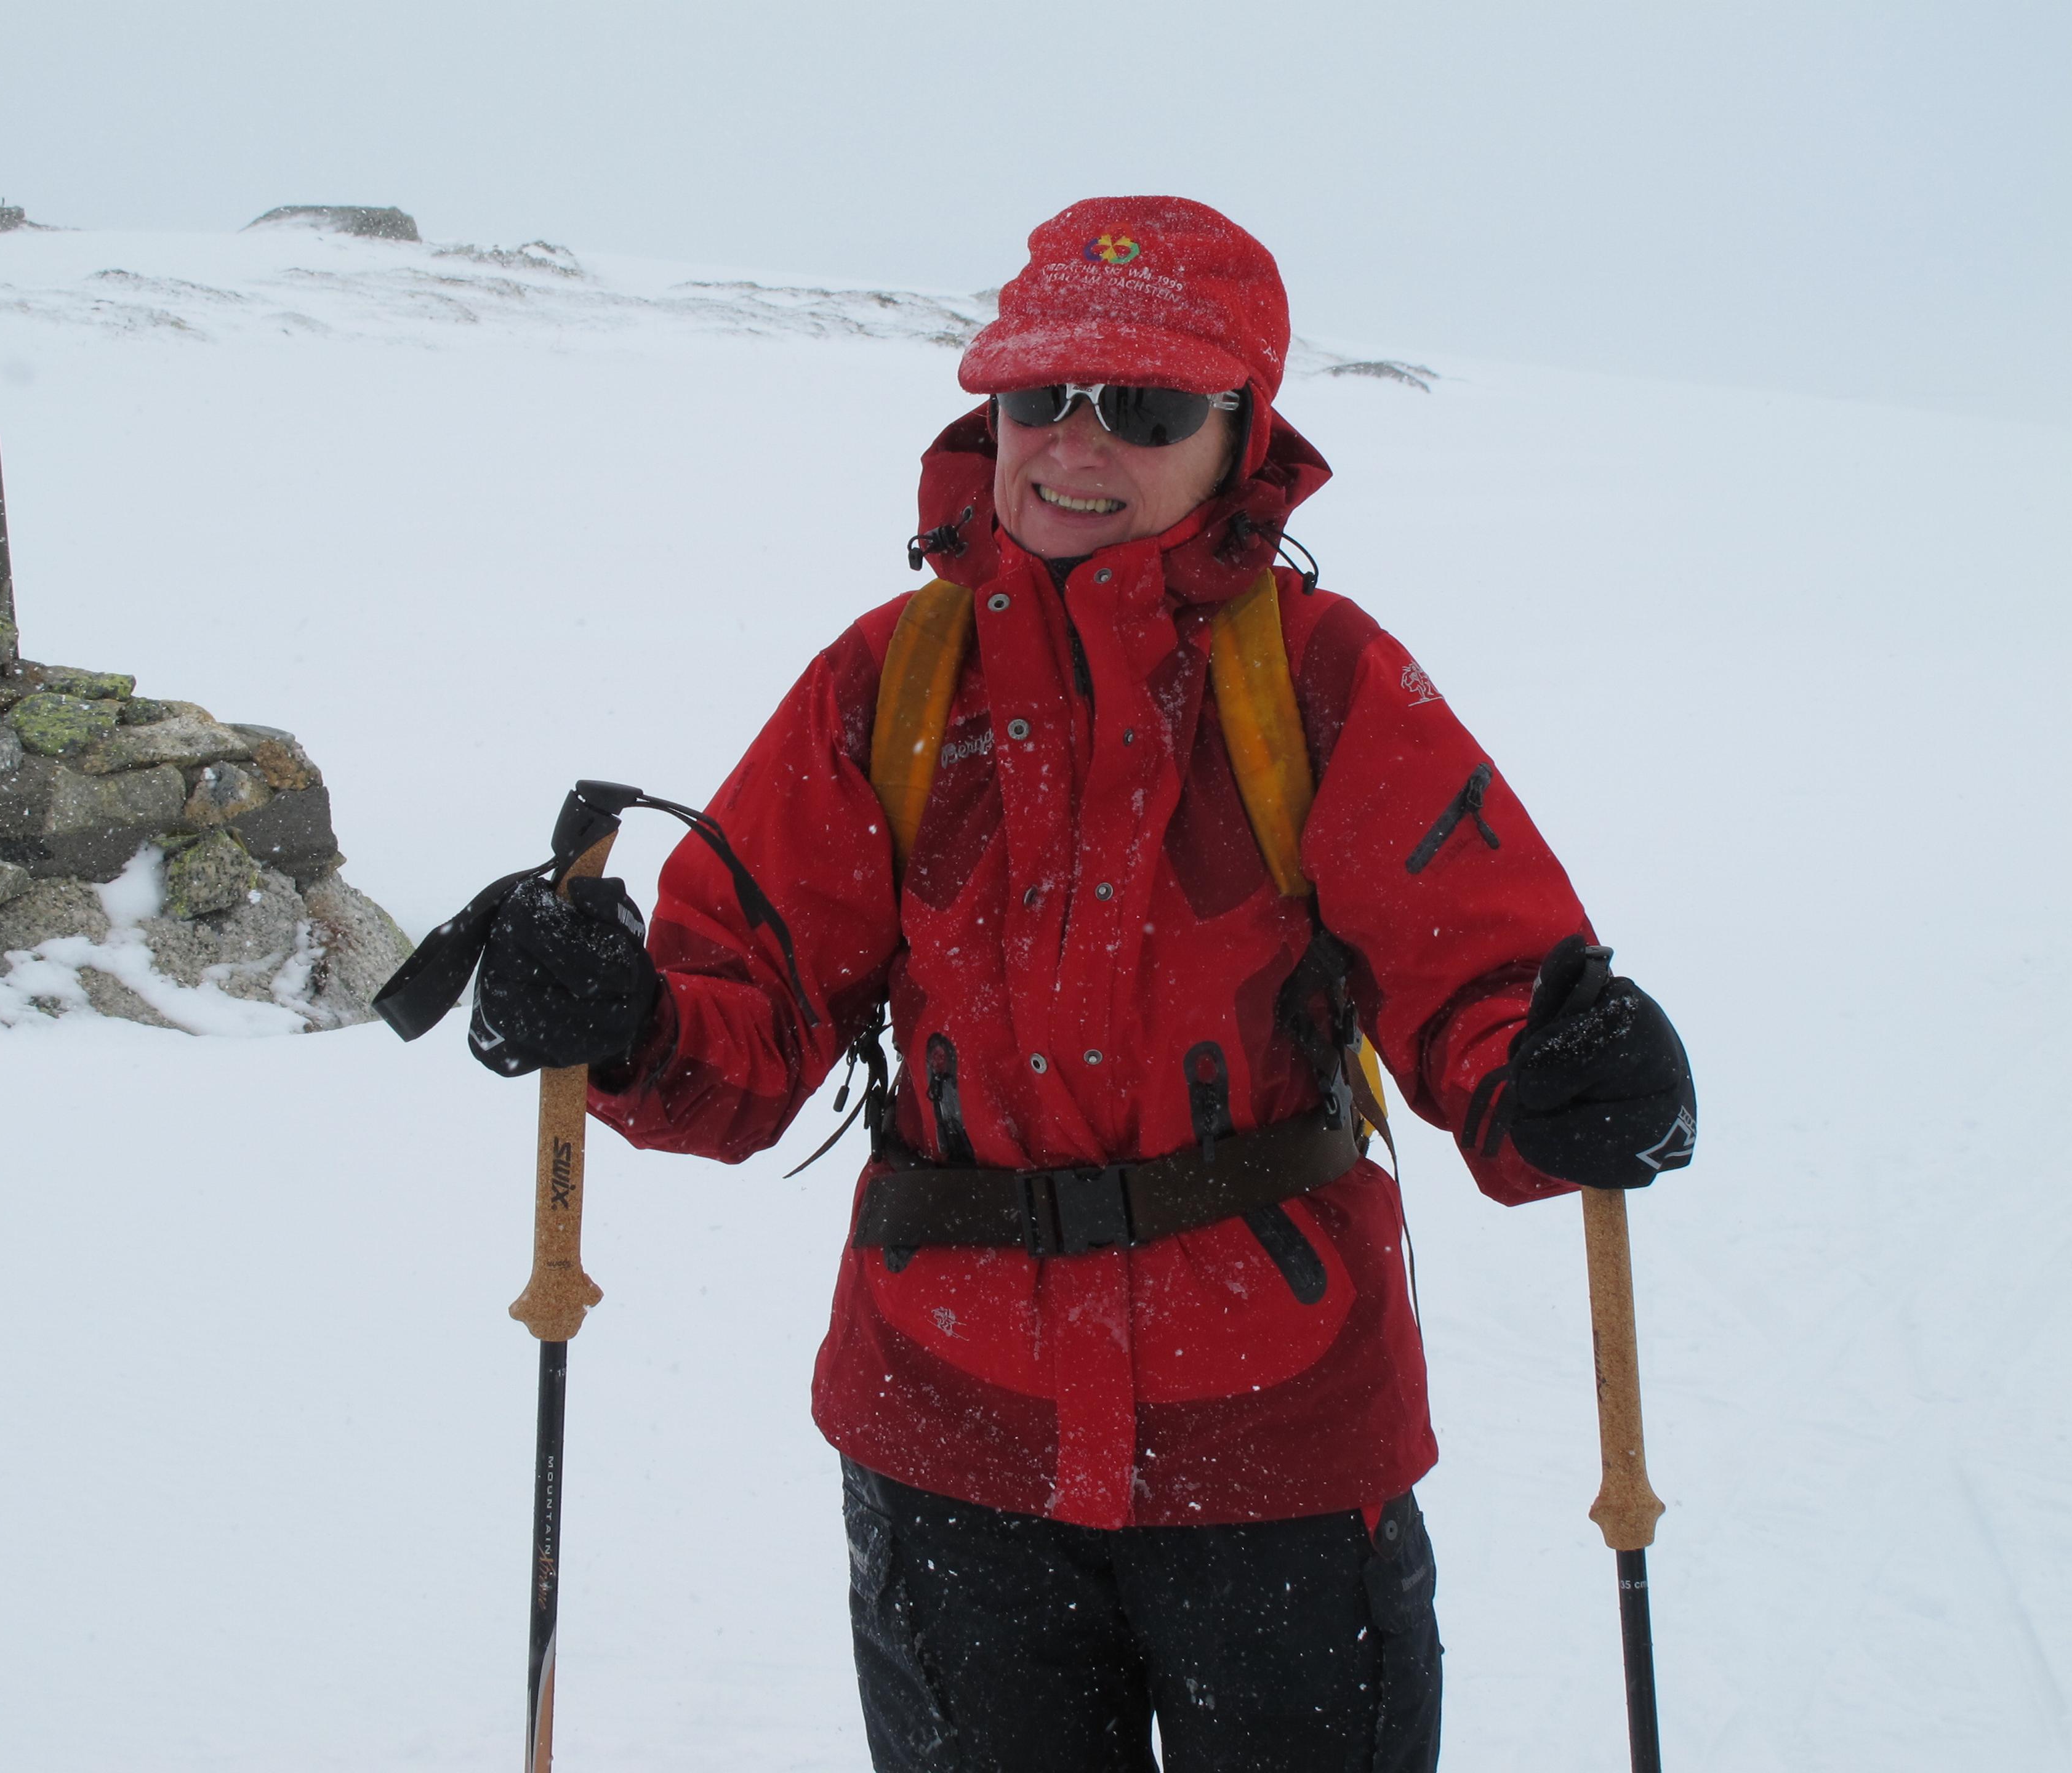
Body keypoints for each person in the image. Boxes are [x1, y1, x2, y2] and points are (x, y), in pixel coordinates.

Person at [465, 196, 1695, 1772]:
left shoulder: (1321, 679)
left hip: (1281, 1443)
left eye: (1147, 408)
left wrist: (1559, 1077)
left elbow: (1487, 977)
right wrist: (625, 1022)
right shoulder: (887, 684)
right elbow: (744, 1023)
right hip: (949, 1445)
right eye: (1040, 393)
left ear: (1241, 436)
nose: (1075, 443)